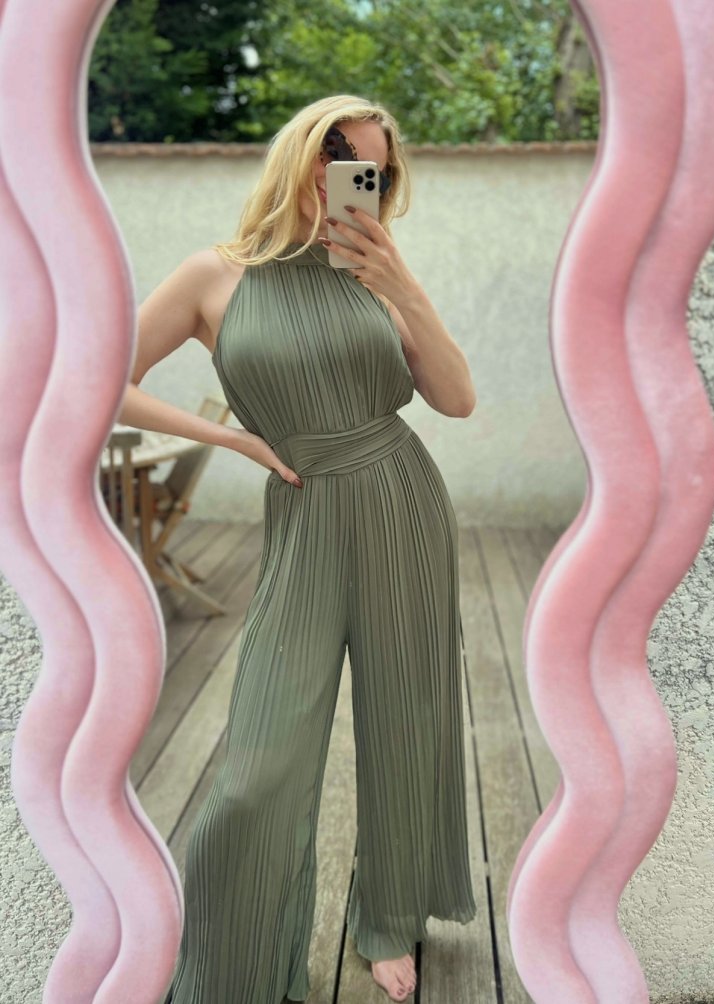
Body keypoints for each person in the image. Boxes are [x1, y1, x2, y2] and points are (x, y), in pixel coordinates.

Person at [123, 93, 477, 1004]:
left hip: (400, 499)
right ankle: (234, 954)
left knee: (406, 721)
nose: (349, 173)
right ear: (299, 154)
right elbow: (100, 379)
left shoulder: (375, 272)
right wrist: (231, 438)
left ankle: (388, 917)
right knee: (258, 765)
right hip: (303, 508)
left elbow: (456, 398)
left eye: (372, 167)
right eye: (336, 149)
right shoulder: (214, 275)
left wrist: (401, 283)